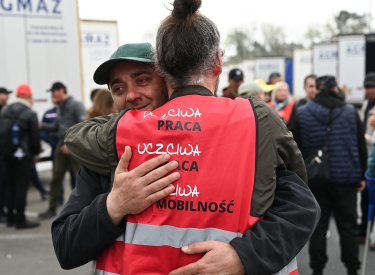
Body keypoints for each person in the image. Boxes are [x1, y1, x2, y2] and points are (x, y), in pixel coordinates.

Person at [57, 2, 319, 274]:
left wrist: (243, 256)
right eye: (118, 87)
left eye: (143, 80)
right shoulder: (113, 150)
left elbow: (301, 208)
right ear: (217, 62)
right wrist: (113, 206)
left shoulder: (248, 131)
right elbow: (66, 247)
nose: (131, 95)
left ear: (165, 75)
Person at [289, 75, 367, 275]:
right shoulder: (350, 112)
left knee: (318, 228)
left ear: (317, 90)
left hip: (315, 179)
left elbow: (293, 146)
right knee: (348, 226)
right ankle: (352, 269)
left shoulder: (303, 112)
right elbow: (360, 145)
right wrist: (361, 175)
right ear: (334, 89)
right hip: (346, 178)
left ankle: (317, 270)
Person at [38, 82, 86, 219]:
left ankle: (83, 209)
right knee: (56, 178)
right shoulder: (60, 107)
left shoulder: (76, 105)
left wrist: (72, 144)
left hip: (74, 148)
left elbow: (84, 124)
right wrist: (41, 126)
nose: (52, 96)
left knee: (80, 179)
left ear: (61, 90)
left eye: (53, 93)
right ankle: (52, 207)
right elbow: (56, 127)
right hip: (61, 146)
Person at [0, 84, 41, 229]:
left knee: (10, 186)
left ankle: (10, 218)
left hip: (6, 154)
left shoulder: (6, 110)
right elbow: (34, 138)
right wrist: (36, 154)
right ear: (29, 96)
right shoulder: (30, 113)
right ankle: (20, 219)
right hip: (22, 155)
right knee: (21, 187)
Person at [359, 72, 375, 242]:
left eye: (373, 87)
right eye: (368, 87)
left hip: (373, 155)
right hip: (366, 158)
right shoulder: (365, 105)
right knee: (365, 198)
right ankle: (363, 230)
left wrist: (368, 138)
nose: (370, 90)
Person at [0, 87, 12, 223]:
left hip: (4, 153)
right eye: (5, 95)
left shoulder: (6, 109)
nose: (7, 97)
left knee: (4, 183)